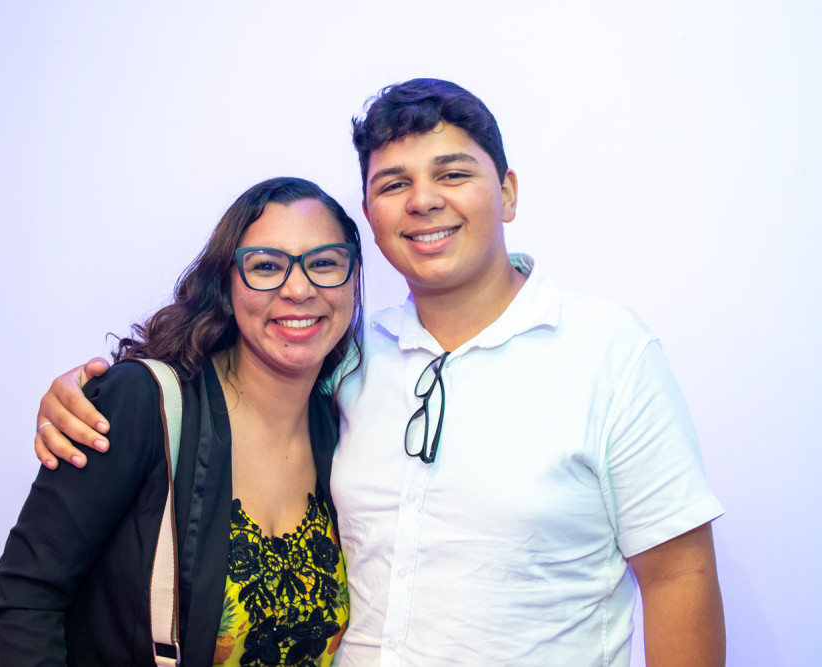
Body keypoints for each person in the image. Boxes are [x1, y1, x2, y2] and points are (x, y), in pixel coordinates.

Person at [35, 80, 725, 666]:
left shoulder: (607, 352)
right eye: (395, 184)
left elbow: (679, 575)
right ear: (370, 215)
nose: (423, 200)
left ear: (508, 193)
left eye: (453, 174)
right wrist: (90, 394)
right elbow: (225, 387)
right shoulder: (346, 358)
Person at [0, 176, 364, 666]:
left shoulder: (348, 423)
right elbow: (23, 602)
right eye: (266, 266)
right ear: (226, 283)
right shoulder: (140, 403)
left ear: (353, 276)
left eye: (324, 263)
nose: (298, 289)